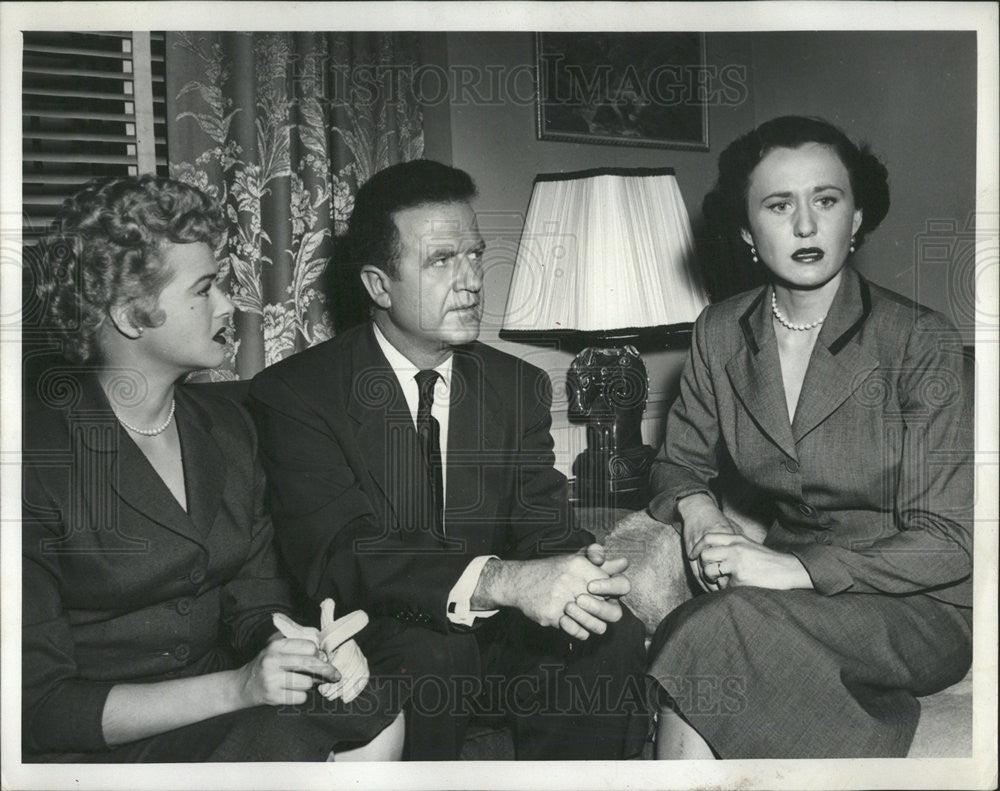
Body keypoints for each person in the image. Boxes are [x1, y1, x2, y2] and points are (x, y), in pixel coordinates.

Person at [249, 159, 649, 760]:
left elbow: (541, 529)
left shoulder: (518, 385)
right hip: (379, 641)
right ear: (378, 286)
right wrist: (501, 580)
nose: (470, 282)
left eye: (473, 255)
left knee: (609, 636)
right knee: (433, 652)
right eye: (441, 261)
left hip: (498, 643)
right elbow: (340, 554)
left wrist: (576, 573)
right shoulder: (299, 393)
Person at [21, 175, 404, 762]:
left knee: (372, 707)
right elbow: (40, 709)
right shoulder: (32, 460)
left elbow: (253, 603)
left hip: (213, 710)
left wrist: (300, 646)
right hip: (90, 746)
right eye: (204, 288)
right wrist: (239, 687)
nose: (229, 304)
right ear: (129, 314)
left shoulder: (227, 430)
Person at [645, 116, 973, 759]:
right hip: (777, 599)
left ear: (855, 220)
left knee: (709, 627)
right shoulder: (720, 330)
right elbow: (674, 462)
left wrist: (791, 567)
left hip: (915, 607)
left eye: (826, 201)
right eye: (777, 205)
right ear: (745, 230)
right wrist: (701, 514)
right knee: (718, 635)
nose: (804, 226)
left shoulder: (919, 341)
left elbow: (948, 543)